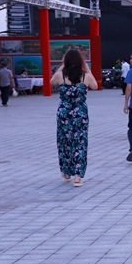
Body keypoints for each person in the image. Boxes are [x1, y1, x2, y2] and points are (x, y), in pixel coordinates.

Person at [50, 50, 98, 187]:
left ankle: (66, 171)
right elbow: (95, 86)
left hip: (64, 113)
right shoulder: (85, 77)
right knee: (80, 143)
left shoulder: (60, 76)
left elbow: (51, 82)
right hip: (80, 114)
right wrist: (86, 67)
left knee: (64, 142)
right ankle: (78, 176)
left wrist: (62, 65)